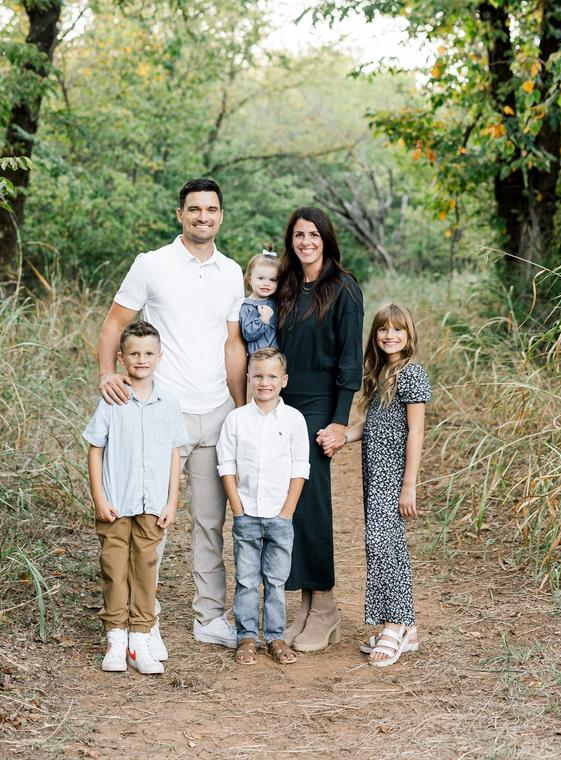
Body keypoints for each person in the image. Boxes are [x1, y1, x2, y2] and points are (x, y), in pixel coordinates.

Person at [97, 178, 246, 651]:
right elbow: (115, 323)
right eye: (195, 209)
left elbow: (233, 343)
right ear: (180, 214)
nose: (204, 217)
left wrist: (240, 408)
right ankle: (145, 619)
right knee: (149, 521)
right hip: (161, 413)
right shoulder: (152, 264)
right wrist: (106, 373)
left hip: (216, 410)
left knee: (209, 521)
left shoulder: (231, 271)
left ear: (221, 216)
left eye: (212, 209)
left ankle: (209, 617)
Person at [276, 207, 364, 653]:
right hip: (282, 407)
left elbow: (351, 361)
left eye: (313, 234)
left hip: (317, 409)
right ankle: (307, 607)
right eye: (298, 235)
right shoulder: (287, 287)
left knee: (311, 503)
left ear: (326, 239)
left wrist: (339, 421)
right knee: (287, 505)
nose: (305, 242)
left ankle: (326, 605)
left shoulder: (343, 288)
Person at [83, 321, 188, 674]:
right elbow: (95, 449)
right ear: (121, 358)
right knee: (114, 568)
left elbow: (174, 454)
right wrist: (99, 497)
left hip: (153, 504)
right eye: (134, 354)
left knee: (146, 569)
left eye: (148, 353)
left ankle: (140, 639)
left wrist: (172, 500)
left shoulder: (169, 403)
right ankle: (116, 637)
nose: (141, 359)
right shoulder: (112, 400)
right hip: (116, 501)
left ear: (159, 357)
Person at [343, 303, 431, 667]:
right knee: (385, 542)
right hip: (374, 471)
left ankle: (394, 625)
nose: (389, 335)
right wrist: (345, 435)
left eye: (397, 329)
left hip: (394, 474)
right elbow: (374, 423)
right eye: (383, 329)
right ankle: (406, 627)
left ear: (409, 336)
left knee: (382, 542)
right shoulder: (380, 373)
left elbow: (415, 430)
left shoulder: (411, 373)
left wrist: (408, 484)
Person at [216, 348, 310, 665]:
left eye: (271, 376)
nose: (264, 382)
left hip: (280, 516)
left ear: (283, 380)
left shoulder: (294, 420)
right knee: (245, 579)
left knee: (275, 580)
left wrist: (287, 511)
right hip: (247, 516)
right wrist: (238, 509)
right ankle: (246, 637)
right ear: (249, 378)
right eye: (258, 376)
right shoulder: (237, 419)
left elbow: (300, 468)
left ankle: (275, 637)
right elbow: (226, 466)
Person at [239, 250, 280, 354]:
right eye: (261, 278)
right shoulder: (247, 306)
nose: (266, 283)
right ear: (250, 279)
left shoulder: (275, 302)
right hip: (258, 359)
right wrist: (263, 320)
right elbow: (248, 335)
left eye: (273, 280)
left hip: (277, 357)